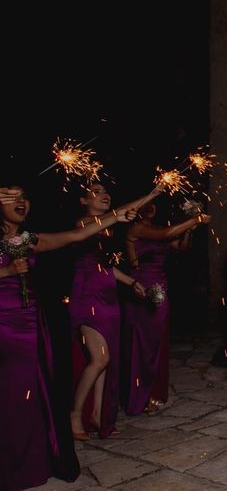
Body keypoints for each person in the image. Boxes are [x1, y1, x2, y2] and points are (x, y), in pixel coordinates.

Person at [1, 183, 136, 490]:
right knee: (9, 394)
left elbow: (75, 236)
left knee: (34, 394)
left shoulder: (28, 240)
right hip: (2, 326)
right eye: (12, 197)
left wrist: (117, 217)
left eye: (25, 196)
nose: (22, 202)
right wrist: (6, 273)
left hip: (32, 323)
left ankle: (33, 458)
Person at [70, 182, 159, 439]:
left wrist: (132, 282)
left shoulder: (107, 231)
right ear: (83, 201)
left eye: (105, 190)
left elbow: (106, 267)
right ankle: (74, 414)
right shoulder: (82, 224)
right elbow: (117, 214)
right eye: (95, 192)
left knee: (106, 360)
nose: (103, 194)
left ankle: (98, 415)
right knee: (99, 358)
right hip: (86, 297)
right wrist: (145, 198)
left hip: (108, 297)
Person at [123, 201, 209, 415]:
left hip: (161, 289)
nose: (150, 206)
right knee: (142, 343)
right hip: (141, 288)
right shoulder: (135, 228)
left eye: (153, 204)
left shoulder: (157, 228)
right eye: (145, 203)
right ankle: (139, 395)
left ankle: (152, 392)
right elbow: (167, 234)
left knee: (156, 342)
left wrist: (189, 230)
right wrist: (194, 219)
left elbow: (181, 247)